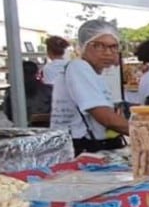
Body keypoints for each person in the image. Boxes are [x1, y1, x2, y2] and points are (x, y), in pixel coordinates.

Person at [50, 19, 130, 154]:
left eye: (113, 47)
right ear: (83, 46)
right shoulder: (79, 67)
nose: (108, 52)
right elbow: (105, 117)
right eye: (98, 46)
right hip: (79, 147)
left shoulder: (93, 73)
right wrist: (147, 134)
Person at [2, 60, 52, 125]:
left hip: (21, 126)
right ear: (37, 73)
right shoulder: (48, 90)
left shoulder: (12, 91)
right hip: (46, 126)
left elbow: (8, 113)